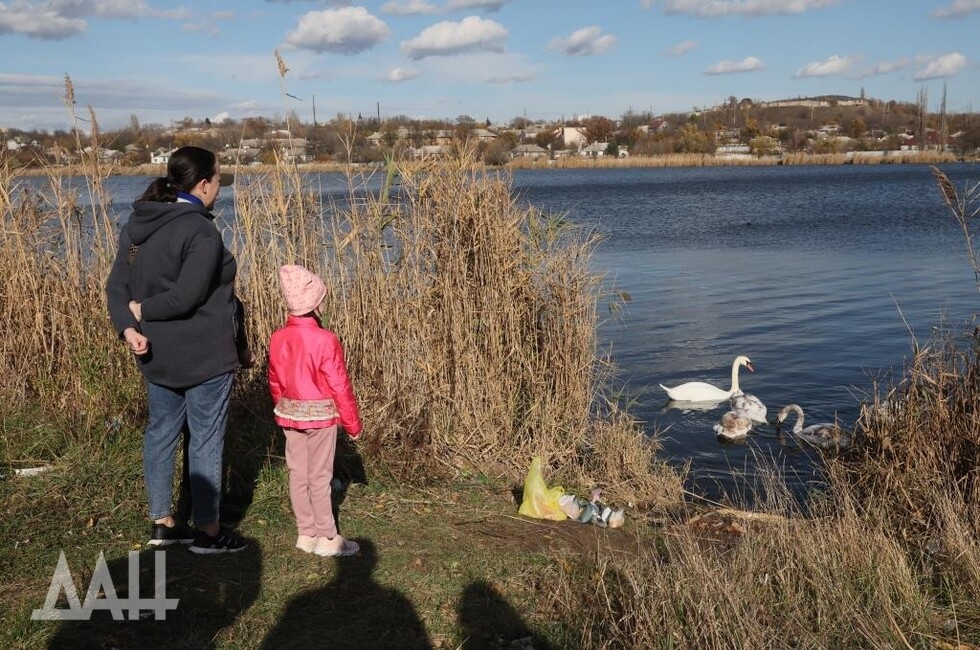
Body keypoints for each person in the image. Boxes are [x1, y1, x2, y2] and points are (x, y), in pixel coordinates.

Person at [105, 145, 248, 554]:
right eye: (218, 180)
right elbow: (186, 296)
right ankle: (207, 530)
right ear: (203, 185)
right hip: (205, 355)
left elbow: (117, 286)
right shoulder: (200, 230)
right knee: (204, 438)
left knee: (161, 434)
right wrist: (141, 311)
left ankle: (164, 523)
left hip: (156, 354)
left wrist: (129, 328)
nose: (219, 188)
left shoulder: (138, 224)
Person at [268, 264, 362, 557]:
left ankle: (305, 532)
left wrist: (281, 405)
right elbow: (339, 384)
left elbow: (275, 379)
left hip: (290, 413)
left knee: (298, 473)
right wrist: (352, 424)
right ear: (315, 304)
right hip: (321, 417)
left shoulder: (278, 337)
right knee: (320, 477)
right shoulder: (326, 340)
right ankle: (328, 536)